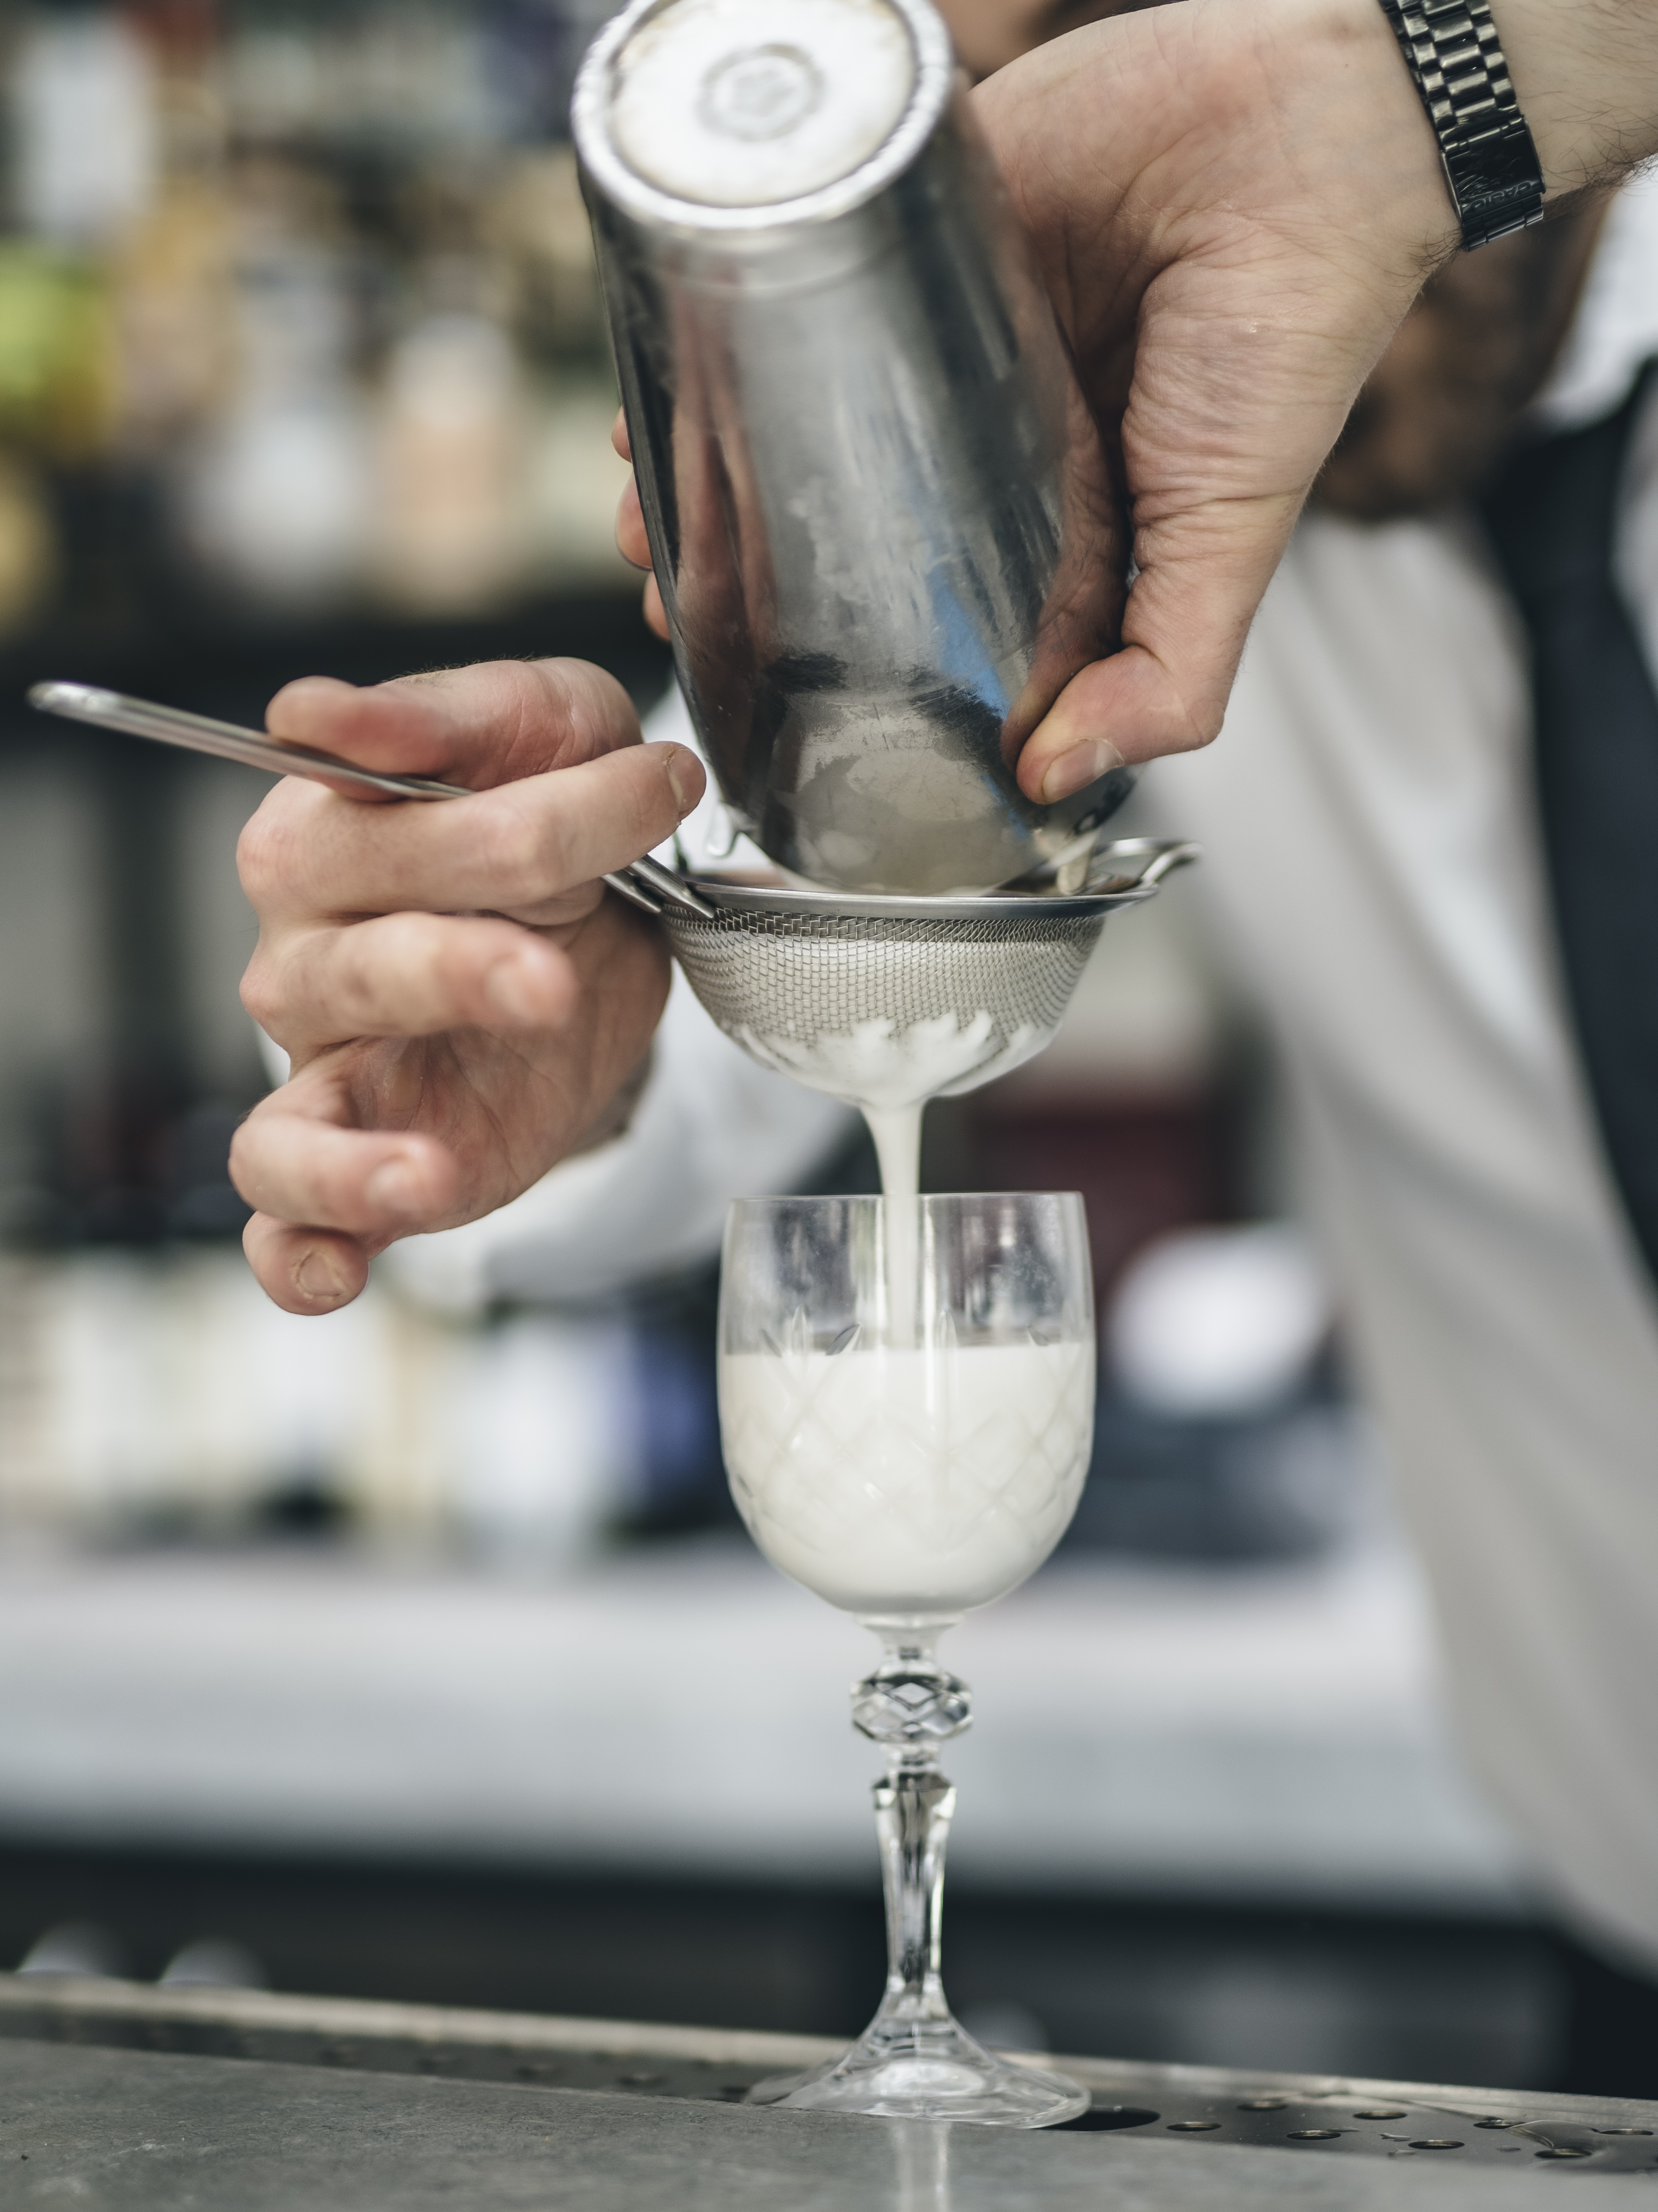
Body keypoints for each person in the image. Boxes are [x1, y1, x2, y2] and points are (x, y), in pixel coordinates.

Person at [225, 0, 1658, 2072]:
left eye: (1147, 67)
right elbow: (772, 922)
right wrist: (568, 992)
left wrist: (1431, 86)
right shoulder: (1101, 530)